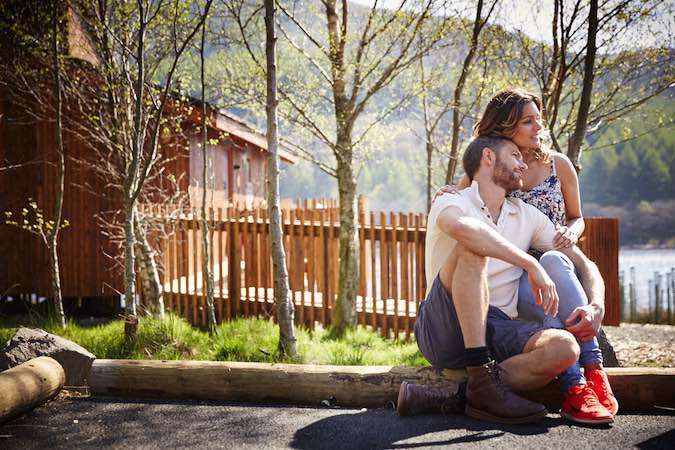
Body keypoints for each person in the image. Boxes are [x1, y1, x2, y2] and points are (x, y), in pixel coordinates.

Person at [397, 134, 615, 424]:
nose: (523, 165)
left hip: (498, 328)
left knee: (565, 347)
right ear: (488, 157)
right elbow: (461, 229)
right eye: (514, 156)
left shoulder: (526, 215)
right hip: (444, 325)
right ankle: (480, 378)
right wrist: (529, 263)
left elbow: (584, 264)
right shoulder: (452, 199)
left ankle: (466, 394)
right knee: (472, 250)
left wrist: (597, 305)